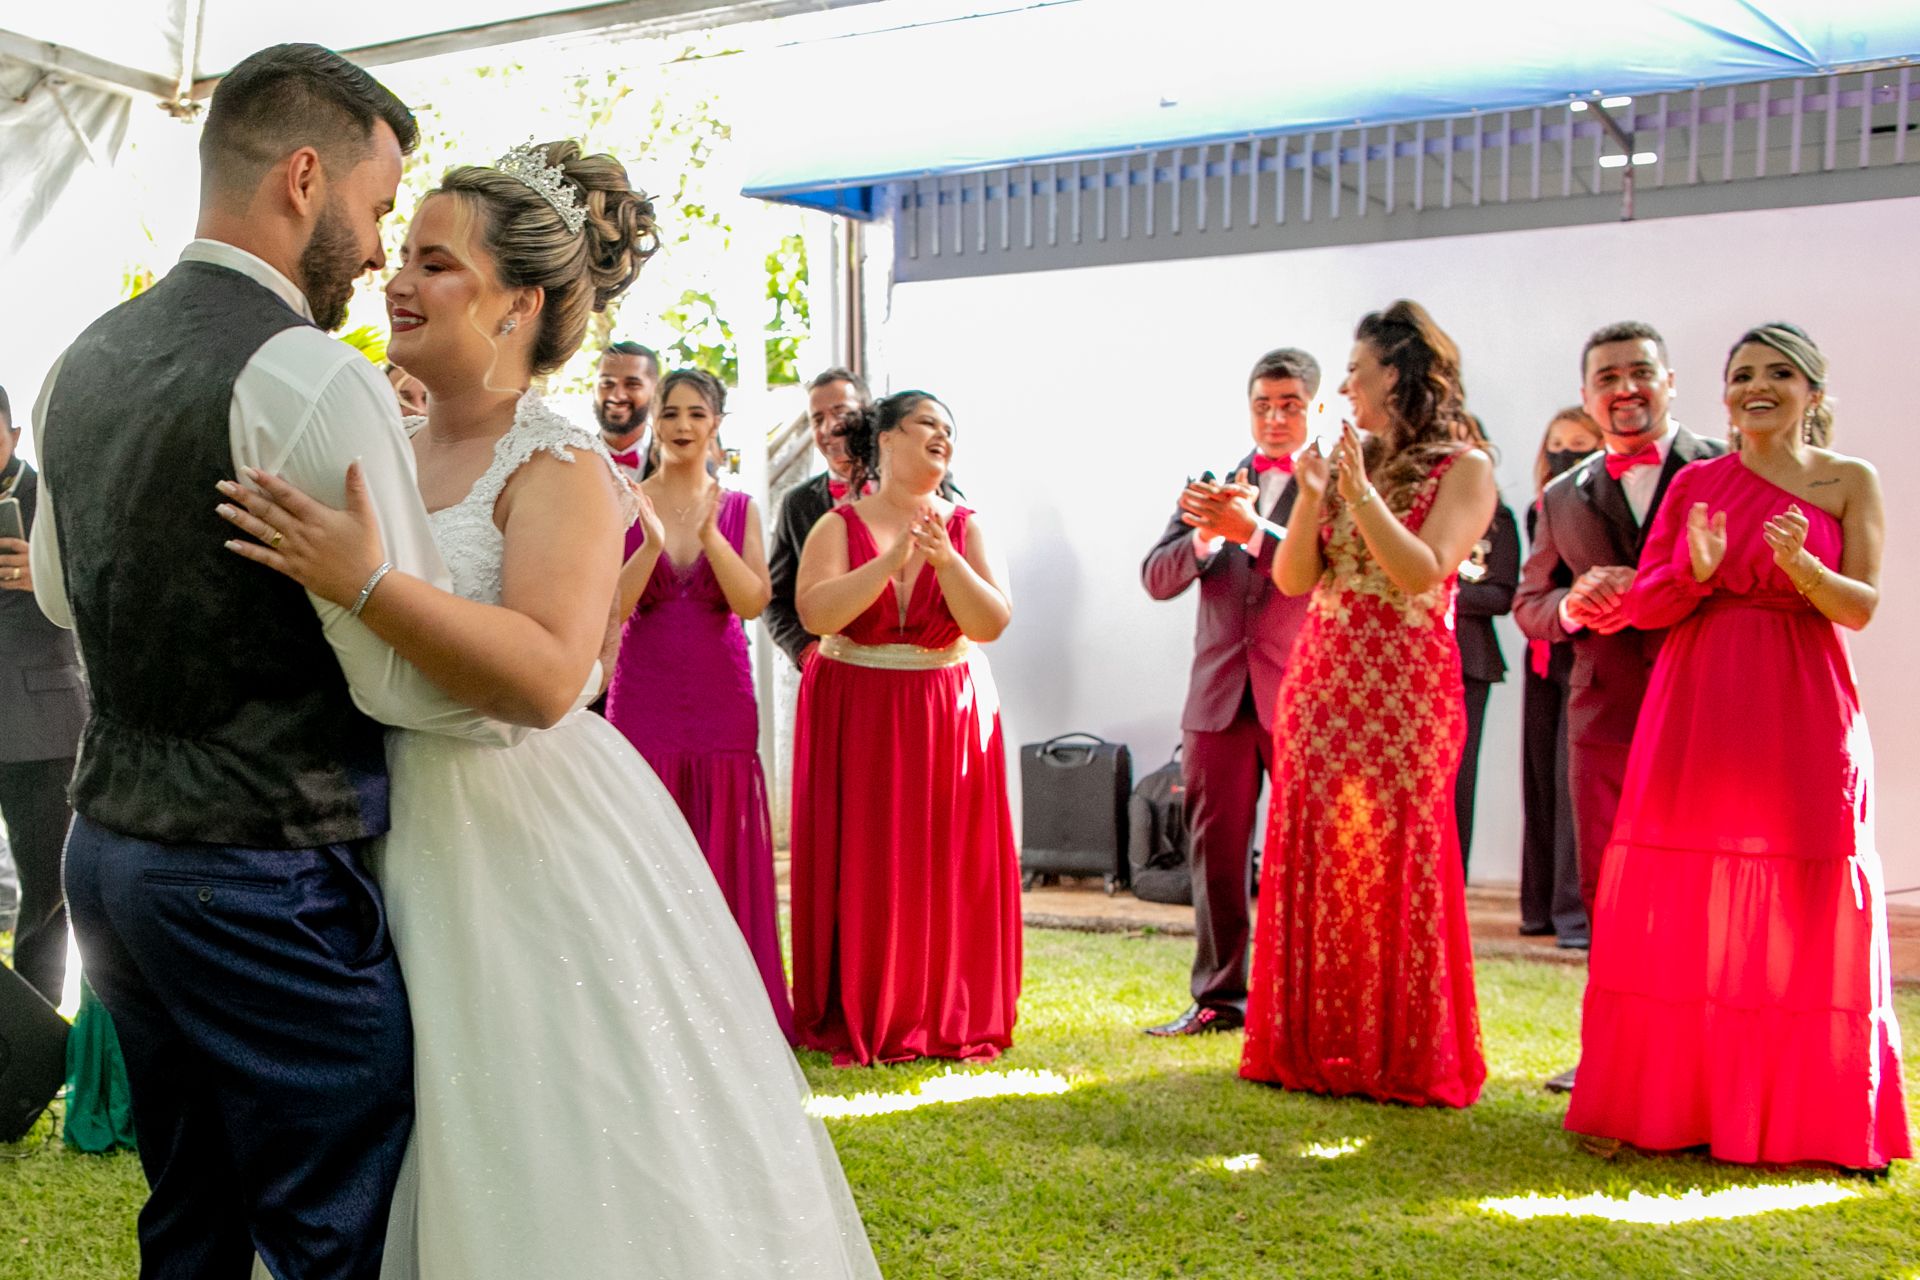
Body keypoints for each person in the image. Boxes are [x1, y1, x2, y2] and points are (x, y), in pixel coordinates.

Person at [213, 140, 879, 1276]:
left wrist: (367, 583)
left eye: (435, 263)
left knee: (528, 1121)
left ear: (520, 302)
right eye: (402, 255)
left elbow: (546, 673)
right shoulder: (382, 433)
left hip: (513, 828)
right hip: (367, 824)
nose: (398, 280)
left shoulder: (564, 460)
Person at [31, 44, 459, 1278]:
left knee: (190, 1213)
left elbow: (63, 593)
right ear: (307, 179)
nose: (380, 251)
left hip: (110, 854)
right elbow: (397, 675)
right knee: (334, 1225)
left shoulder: (82, 358)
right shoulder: (314, 375)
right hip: (263, 873)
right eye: (379, 210)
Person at [1566, 323, 1909, 1169]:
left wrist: (1806, 573)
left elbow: (1860, 605)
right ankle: (1677, 1104)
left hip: (1804, 698)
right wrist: (1696, 570)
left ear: (1813, 393)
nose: (1757, 387)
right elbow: (1647, 606)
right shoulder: (1700, 483)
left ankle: (1815, 1115)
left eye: (1780, 373)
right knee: (1687, 891)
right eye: (1743, 374)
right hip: (1698, 699)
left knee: (1804, 889)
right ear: (1722, 394)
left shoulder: (1849, 480)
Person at [1239, 300, 1495, 1108]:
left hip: (1406, 682)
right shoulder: (1350, 457)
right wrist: (1314, 493)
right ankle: (1311, 1042)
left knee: (1398, 854)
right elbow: (1294, 579)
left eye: (1356, 369)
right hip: (1323, 672)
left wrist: (1360, 493)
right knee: (1317, 848)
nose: (1344, 384)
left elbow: (1423, 570)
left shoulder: (1466, 467)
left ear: (1398, 373)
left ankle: (1400, 1052)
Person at [1513, 321, 1724, 1092]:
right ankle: (1613, 1049)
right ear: (1586, 395)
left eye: (1640, 373)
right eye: (1607, 377)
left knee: (1707, 880)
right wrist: (1573, 606)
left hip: (1706, 705)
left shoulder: (1723, 470)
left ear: (1670, 382)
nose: (1624, 389)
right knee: (1611, 884)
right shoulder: (1560, 494)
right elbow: (1530, 602)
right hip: (1602, 715)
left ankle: (1707, 1052)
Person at [789, 390, 1018, 1066]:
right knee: (864, 856)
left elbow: (991, 624)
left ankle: (943, 1007)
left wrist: (945, 560)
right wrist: (892, 561)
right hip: (855, 708)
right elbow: (816, 613)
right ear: (884, 439)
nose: (943, 437)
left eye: (950, 429)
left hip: (946, 709)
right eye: (928, 425)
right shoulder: (837, 526)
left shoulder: (971, 529)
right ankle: (864, 1003)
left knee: (945, 857)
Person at [605, 367, 791, 1040]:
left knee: (724, 843)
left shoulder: (739, 508)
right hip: (643, 696)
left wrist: (711, 537)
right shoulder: (624, 501)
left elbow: (751, 603)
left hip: (721, 697)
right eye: (672, 413)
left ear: (716, 425)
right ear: (655, 421)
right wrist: (652, 543)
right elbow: (613, 609)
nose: (683, 425)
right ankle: (650, 1004)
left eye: (697, 414)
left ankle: (733, 1011)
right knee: (646, 840)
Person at [1138, 348, 1318, 1036]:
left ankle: (1296, 999)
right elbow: (1156, 577)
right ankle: (1219, 998)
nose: (1275, 417)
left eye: (1290, 404)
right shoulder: (1213, 483)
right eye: (1264, 404)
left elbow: (1325, 569)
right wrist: (1206, 538)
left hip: (1299, 692)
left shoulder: (1331, 484)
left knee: (1304, 853)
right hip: (1217, 696)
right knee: (1213, 852)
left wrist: (1257, 531)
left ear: (1314, 408)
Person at [0, 382, 87, 1007]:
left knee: (47, 893)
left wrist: (47, 578)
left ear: (13, 433)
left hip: (42, 723)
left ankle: (31, 1054)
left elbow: (114, 592)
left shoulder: (57, 495)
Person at [1517, 408, 1601, 947]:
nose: (1565, 453)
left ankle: (1576, 914)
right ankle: (1541, 907)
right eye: (1557, 444)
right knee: (1541, 782)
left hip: (1587, 647)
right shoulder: (1539, 507)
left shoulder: (1604, 506)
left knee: (1576, 787)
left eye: (1579, 443)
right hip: (1543, 651)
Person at [1451, 416, 1519, 876]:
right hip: (1405, 662)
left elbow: (1501, 595)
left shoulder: (1497, 516)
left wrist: (1438, 586)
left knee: (1458, 776)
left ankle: (1453, 876)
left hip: (1469, 662)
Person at [766, 367, 869, 669]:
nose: (829, 427)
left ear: (868, 415)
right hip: (832, 669)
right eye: (817, 419)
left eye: (841, 412)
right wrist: (806, 651)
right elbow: (775, 600)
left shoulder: (908, 489)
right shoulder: (797, 503)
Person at [595, 338, 659, 479]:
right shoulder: (575, 457)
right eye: (607, 383)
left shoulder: (672, 460)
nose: (617, 396)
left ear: (655, 391)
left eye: (632, 384)